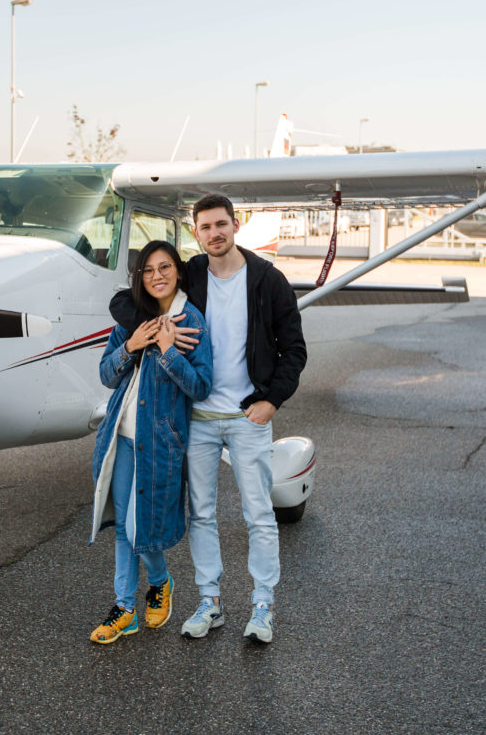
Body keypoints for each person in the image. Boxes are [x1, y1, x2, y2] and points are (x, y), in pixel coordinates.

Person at [109, 195, 307, 644]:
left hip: (246, 415)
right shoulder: (191, 273)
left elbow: (294, 350)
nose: (214, 233)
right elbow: (128, 301)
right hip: (196, 416)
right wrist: (160, 330)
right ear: (195, 232)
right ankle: (210, 601)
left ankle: (262, 606)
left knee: (258, 513)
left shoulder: (267, 280)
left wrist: (272, 401)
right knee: (201, 513)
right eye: (205, 227)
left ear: (236, 225)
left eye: (221, 224)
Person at [88, 240, 212, 644]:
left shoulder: (191, 320)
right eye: (148, 270)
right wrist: (131, 345)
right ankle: (125, 608)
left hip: (159, 441)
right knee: (124, 527)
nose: (157, 276)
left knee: (141, 525)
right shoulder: (132, 319)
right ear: (139, 276)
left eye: (164, 268)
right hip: (121, 438)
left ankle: (159, 581)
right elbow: (107, 375)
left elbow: (201, 387)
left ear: (177, 271)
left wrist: (167, 351)